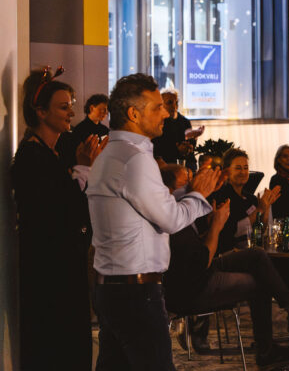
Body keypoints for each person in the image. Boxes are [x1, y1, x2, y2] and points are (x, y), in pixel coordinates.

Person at [88, 73, 223, 370]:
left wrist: (188, 193)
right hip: (135, 292)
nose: (165, 113)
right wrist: (199, 194)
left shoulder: (112, 155)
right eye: (157, 107)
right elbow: (172, 219)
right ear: (134, 114)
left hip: (113, 288)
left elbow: (153, 209)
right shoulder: (134, 159)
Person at [163, 178, 289, 367]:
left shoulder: (180, 209)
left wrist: (213, 224)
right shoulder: (172, 214)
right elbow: (202, 261)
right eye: (185, 180)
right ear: (172, 189)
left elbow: (197, 250)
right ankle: (266, 351)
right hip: (193, 285)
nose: (193, 181)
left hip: (201, 269)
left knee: (256, 255)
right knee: (260, 281)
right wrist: (216, 226)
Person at [11, 67, 108, 370]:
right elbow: (57, 213)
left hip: (64, 271)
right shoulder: (31, 157)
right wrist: (83, 170)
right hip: (48, 278)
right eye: (64, 107)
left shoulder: (53, 153)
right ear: (40, 112)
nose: (71, 113)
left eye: (72, 105)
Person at [207, 147, 278, 253]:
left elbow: (260, 231)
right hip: (229, 254)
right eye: (238, 168)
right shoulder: (221, 196)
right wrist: (259, 210)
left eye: (246, 168)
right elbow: (234, 231)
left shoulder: (250, 198)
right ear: (226, 171)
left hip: (252, 251)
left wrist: (266, 207)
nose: (243, 172)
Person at [152, 89, 202, 168]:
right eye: (170, 102)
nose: (174, 106)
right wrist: (177, 150)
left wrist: (192, 142)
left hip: (185, 165)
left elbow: (190, 150)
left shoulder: (185, 122)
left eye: (176, 102)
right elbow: (156, 150)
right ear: (160, 105)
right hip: (165, 166)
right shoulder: (156, 123)